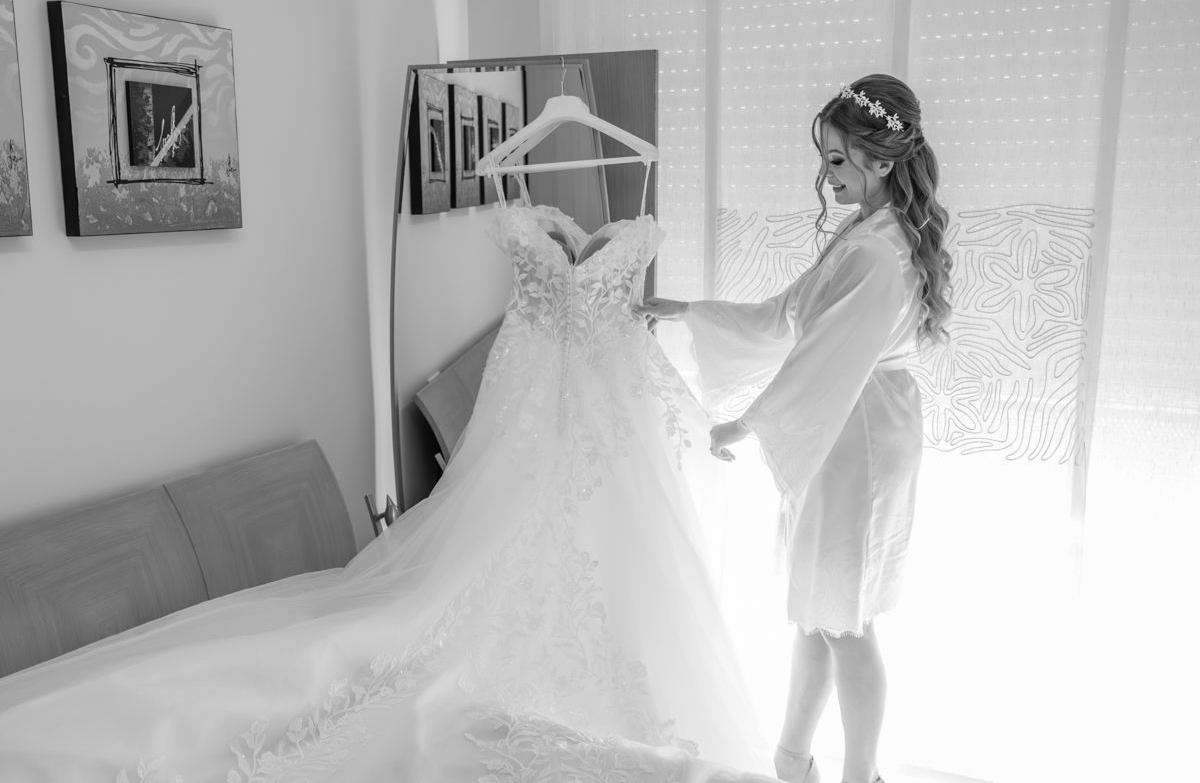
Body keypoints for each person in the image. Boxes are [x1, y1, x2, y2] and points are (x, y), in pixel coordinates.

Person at [0, 169, 778, 782]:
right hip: (540, 410)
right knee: (493, 589)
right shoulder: (526, 198)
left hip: (612, 418)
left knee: (623, 569)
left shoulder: (635, 172)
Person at [637, 74, 953, 783]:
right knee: (820, 611)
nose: (825, 175)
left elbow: (823, 359)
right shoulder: (866, 233)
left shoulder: (875, 251)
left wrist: (746, 423)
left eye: (837, 160)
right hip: (856, 423)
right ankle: (791, 758)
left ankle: (859, 775)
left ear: (881, 160)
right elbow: (789, 315)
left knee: (846, 620)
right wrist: (691, 312)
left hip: (858, 431)